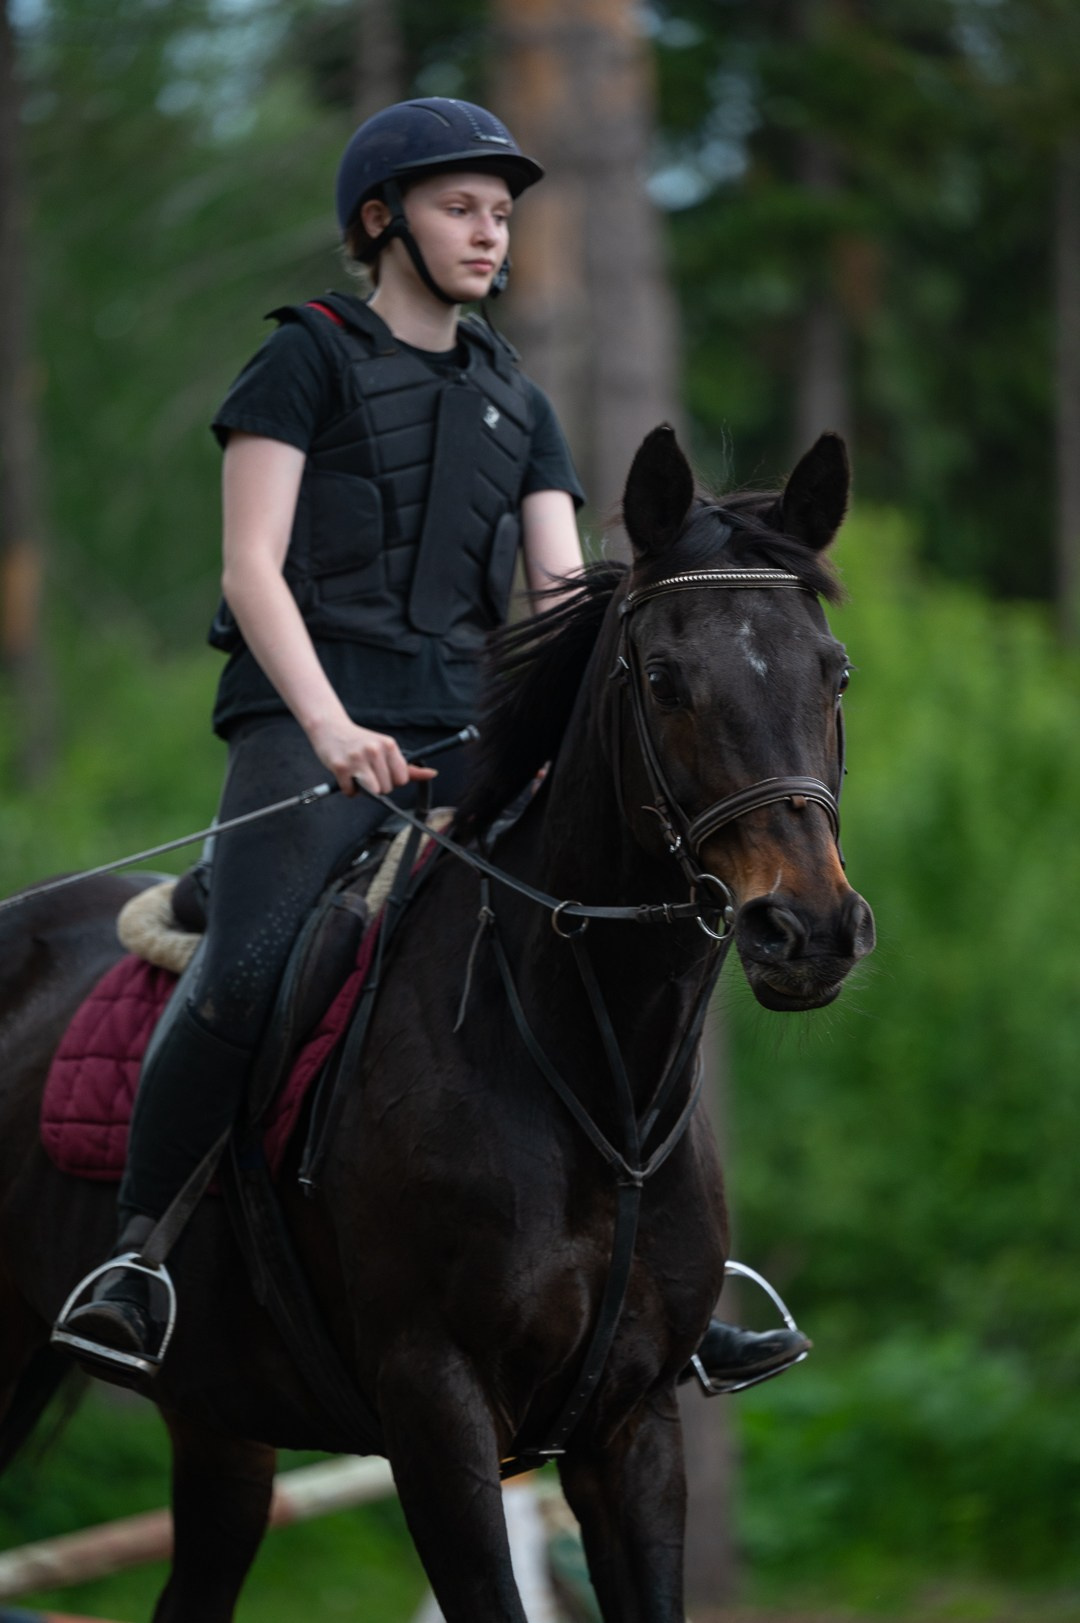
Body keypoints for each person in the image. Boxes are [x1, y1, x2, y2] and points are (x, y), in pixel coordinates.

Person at [55, 97, 808, 1390]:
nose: (489, 230)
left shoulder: (520, 402)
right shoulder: (303, 360)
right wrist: (330, 724)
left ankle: (666, 1281)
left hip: (469, 734)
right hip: (310, 728)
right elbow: (249, 567)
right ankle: (139, 1258)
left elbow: (565, 603)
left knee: (631, 947)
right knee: (246, 970)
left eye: (502, 211)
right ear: (378, 218)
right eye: (461, 205)